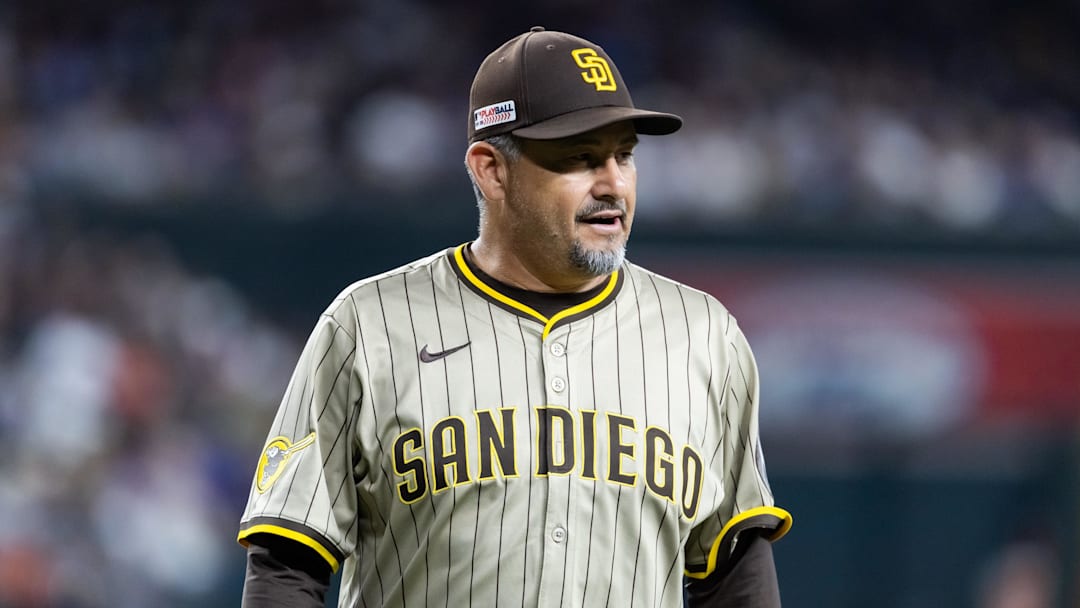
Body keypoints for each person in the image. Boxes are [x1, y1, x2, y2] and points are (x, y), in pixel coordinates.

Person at [237, 26, 792, 607]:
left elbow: (736, 574)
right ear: (491, 169)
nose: (612, 184)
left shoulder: (702, 334)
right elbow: (287, 565)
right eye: (579, 158)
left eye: (623, 155)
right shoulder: (368, 324)